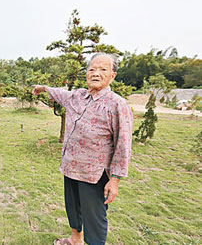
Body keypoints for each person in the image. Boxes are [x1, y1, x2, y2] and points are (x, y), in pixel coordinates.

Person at [32, 53, 133, 245]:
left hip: (94, 173)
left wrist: (115, 180)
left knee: (94, 218)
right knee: (73, 208)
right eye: (92, 69)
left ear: (113, 75)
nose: (96, 73)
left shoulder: (117, 104)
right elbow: (59, 93)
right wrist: (43, 88)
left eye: (103, 69)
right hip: (71, 167)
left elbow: (123, 144)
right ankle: (75, 240)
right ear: (86, 73)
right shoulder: (77, 96)